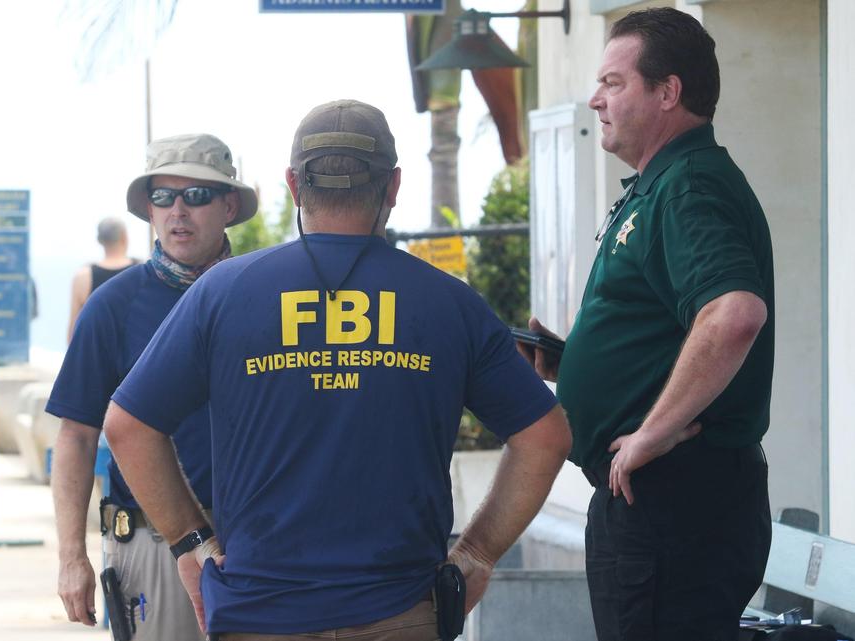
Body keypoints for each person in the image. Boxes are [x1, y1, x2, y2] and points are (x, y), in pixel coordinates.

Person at [101, 99, 572, 639]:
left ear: (293, 185)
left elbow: (127, 425)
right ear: (393, 186)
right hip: (401, 612)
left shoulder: (222, 293)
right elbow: (545, 436)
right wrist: (478, 554)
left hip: (258, 614)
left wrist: (191, 544)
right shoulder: (449, 303)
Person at [519, 9, 774, 641]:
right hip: (661, 506)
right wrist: (573, 362)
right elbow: (674, 331)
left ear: (668, 92)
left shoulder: (687, 187)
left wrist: (650, 435)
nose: (595, 99)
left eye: (613, 82)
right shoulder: (662, 184)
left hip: (671, 503)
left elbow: (734, 314)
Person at [48, 133, 258, 639]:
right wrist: (72, 556)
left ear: (229, 205)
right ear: (148, 209)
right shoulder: (112, 306)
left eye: (197, 195)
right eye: (163, 196)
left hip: (256, 539)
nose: (177, 211)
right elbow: (76, 435)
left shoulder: (261, 296)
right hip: (153, 544)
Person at [67, 216, 137, 343]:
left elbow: (73, 335)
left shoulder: (83, 277)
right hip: (138, 352)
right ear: (124, 237)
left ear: (99, 240)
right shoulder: (141, 272)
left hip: (99, 352)